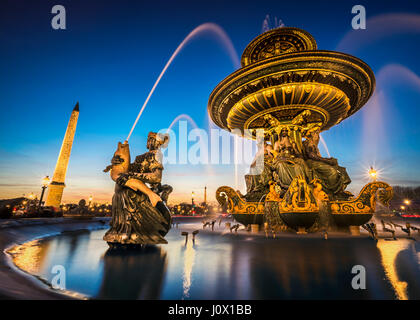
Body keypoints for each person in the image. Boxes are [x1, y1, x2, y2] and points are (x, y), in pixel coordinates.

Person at [103, 132, 172, 246]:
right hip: (135, 187)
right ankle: (121, 230)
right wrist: (117, 162)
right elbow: (126, 170)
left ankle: (134, 231)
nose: (149, 142)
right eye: (149, 139)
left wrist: (131, 176)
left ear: (158, 143)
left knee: (127, 191)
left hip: (143, 191)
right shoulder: (141, 157)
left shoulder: (157, 155)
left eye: (153, 139)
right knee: (120, 187)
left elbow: (156, 177)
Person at [303, 124, 352, 200]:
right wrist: (327, 161)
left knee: (341, 170)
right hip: (310, 162)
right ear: (311, 135)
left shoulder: (314, 145)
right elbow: (311, 155)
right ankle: (331, 191)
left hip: (316, 161)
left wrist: (328, 160)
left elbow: (318, 157)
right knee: (332, 171)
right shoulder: (308, 143)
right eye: (315, 133)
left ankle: (339, 191)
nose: (318, 136)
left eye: (317, 133)